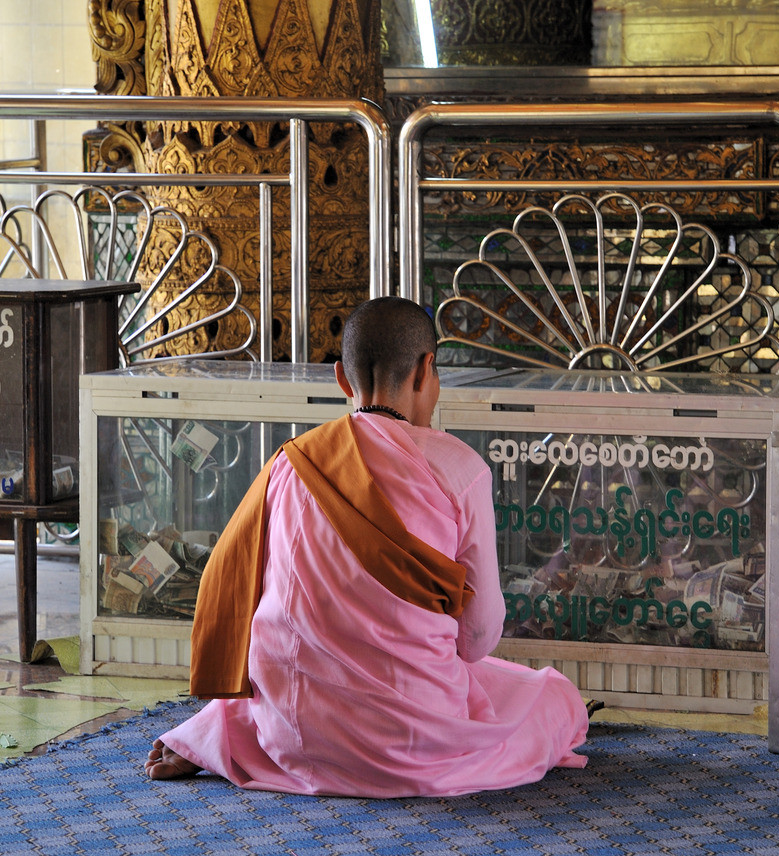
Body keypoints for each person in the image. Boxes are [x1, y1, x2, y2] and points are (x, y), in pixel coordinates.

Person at [144, 296, 590, 797]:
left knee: (283, 677)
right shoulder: (460, 469)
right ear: (426, 371)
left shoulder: (293, 465)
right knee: (551, 695)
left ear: (340, 379)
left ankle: (214, 732)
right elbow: (479, 638)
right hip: (410, 744)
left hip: (293, 734)